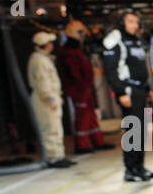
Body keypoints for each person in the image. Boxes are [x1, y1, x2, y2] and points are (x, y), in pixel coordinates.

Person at [101, 11, 153, 182]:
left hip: (141, 90)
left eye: (137, 22)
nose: (135, 25)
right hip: (128, 91)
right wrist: (120, 92)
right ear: (122, 23)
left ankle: (140, 167)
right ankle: (130, 169)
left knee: (141, 131)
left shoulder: (136, 40)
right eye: (131, 21)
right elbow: (111, 70)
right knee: (132, 132)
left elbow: (139, 66)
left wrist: (148, 88)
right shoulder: (115, 39)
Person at [56, 21, 110, 154]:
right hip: (79, 89)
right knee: (83, 117)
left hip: (85, 88)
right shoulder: (68, 52)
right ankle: (82, 145)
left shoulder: (76, 50)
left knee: (91, 116)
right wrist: (81, 86)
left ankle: (98, 141)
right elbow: (72, 72)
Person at [26, 31, 73, 168]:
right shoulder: (38, 60)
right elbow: (42, 82)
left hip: (51, 97)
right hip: (44, 99)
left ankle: (59, 155)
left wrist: (57, 95)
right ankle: (53, 158)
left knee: (56, 128)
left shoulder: (44, 58)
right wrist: (50, 98)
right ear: (45, 45)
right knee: (50, 128)